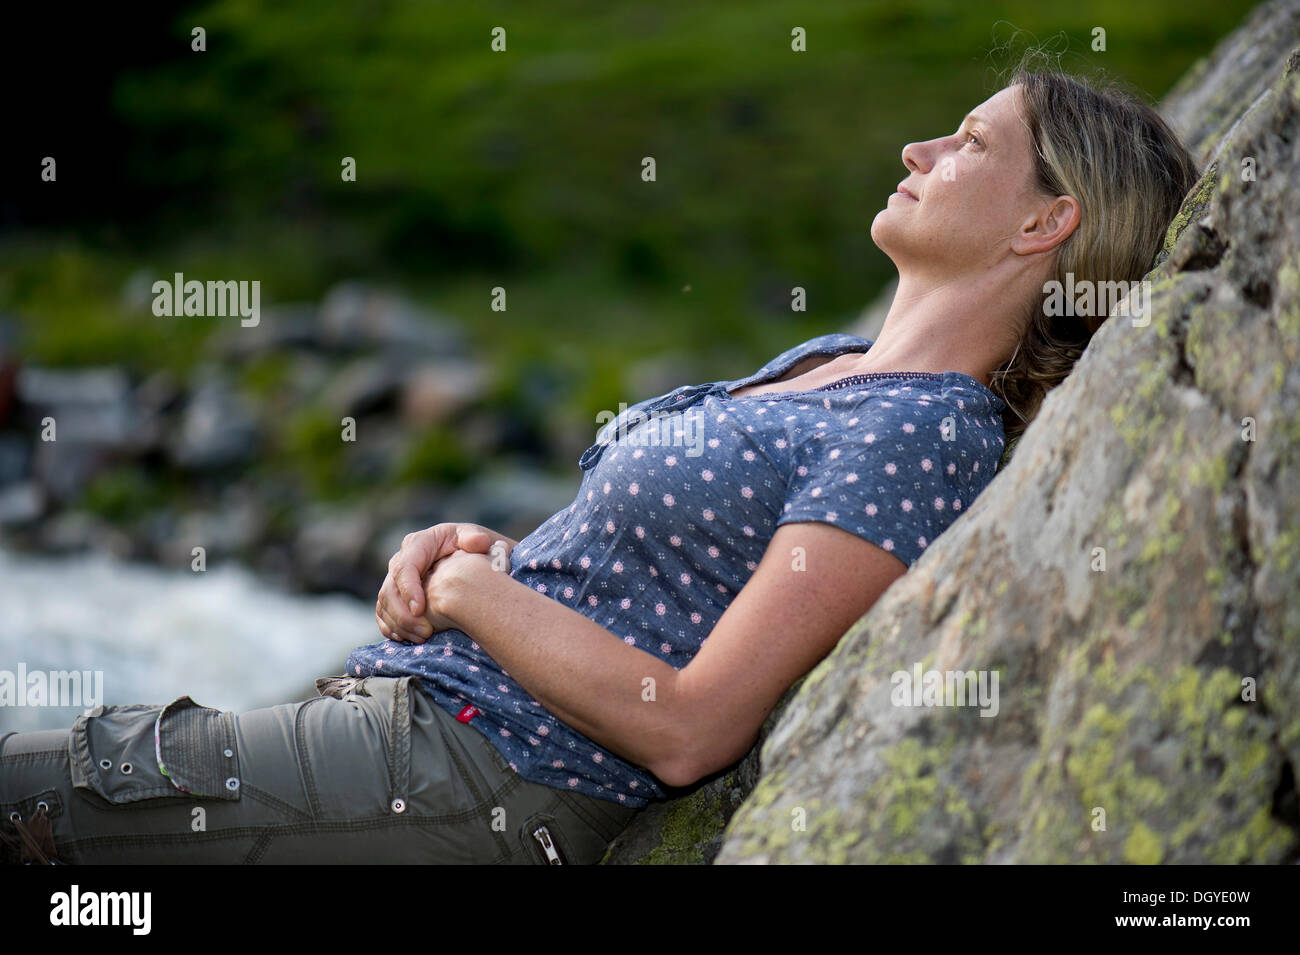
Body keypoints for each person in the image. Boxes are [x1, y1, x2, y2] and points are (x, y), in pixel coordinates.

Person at [0, 65, 1198, 864]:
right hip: (412, 721)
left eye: (971, 141)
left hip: (481, 772)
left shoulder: (924, 431)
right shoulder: (836, 361)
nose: (920, 144)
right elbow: (643, 580)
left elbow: (689, 724)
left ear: (1045, 225)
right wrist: (482, 550)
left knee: (36, 793)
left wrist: (474, 596)